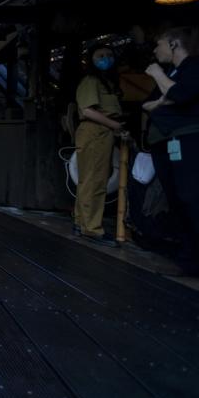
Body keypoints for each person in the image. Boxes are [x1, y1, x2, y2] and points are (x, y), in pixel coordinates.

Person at [143, 25, 199, 278]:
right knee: (179, 201)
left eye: (159, 43)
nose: (155, 50)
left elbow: (181, 94)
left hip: (196, 141)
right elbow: (149, 104)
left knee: (195, 199)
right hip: (169, 142)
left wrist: (158, 77)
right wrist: (166, 95)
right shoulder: (173, 72)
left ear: (173, 44)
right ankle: (190, 262)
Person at [74, 45, 126, 247]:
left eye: (110, 55)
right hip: (95, 131)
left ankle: (81, 222)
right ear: (91, 60)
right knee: (94, 181)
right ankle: (92, 228)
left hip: (101, 132)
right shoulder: (90, 81)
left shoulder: (107, 83)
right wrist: (116, 126)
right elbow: (87, 111)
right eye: (100, 56)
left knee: (88, 180)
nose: (106, 59)